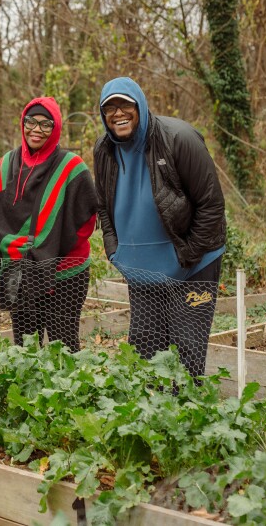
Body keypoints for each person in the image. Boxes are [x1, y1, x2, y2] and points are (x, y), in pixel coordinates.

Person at [93, 77, 226, 379]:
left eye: (125, 105)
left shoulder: (178, 138)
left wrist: (189, 255)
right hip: (143, 271)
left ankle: (186, 417)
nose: (118, 113)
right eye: (109, 108)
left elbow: (212, 205)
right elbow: (103, 203)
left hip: (192, 265)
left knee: (186, 353)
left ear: (139, 104)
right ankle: (153, 422)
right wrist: (114, 250)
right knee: (145, 353)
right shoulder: (103, 149)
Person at [0, 97, 98, 352]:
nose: (36, 129)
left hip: (64, 272)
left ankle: (67, 392)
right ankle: (31, 392)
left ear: (56, 128)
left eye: (46, 124)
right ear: (22, 123)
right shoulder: (6, 165)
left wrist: (48, 252)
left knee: (64, 343)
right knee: (26, 345)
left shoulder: (71, 166)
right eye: (31, 122)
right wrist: (20, 250)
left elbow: (86, 221)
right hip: (20, 271)